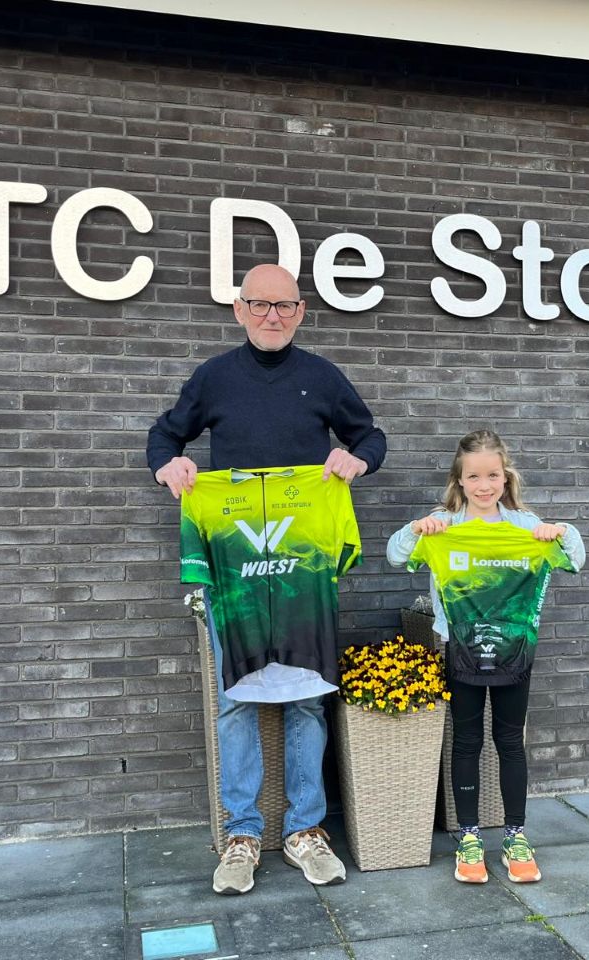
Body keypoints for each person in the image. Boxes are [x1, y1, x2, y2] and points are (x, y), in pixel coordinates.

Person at [147, 264, 386, 895]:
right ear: (239, 309)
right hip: (236, 570)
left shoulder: (323, 376)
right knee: (236, 698)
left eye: (283, 305)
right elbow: (165, 434)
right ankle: (242, 834)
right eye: (259, 304)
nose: (271, 315)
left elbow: (370, 435)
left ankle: (306, 829)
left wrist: (356, 458)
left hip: (302, 568)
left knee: (307, 696)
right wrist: (169, 465)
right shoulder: (214, 377)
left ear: (301, 311)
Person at [386, 429, 584, 885]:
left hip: (514, 650)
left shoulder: (524, 526)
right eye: (473, 476)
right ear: (459, 479)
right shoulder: (445, 525)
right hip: (460, 648)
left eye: (492, 475)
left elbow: (575, 558)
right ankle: (469, 837)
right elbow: (397, 555)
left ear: (505, 476)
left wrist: (561, 532)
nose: (483, 485)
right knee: (467, 741)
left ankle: (516, 836)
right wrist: (416, 529)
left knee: (510, 741)